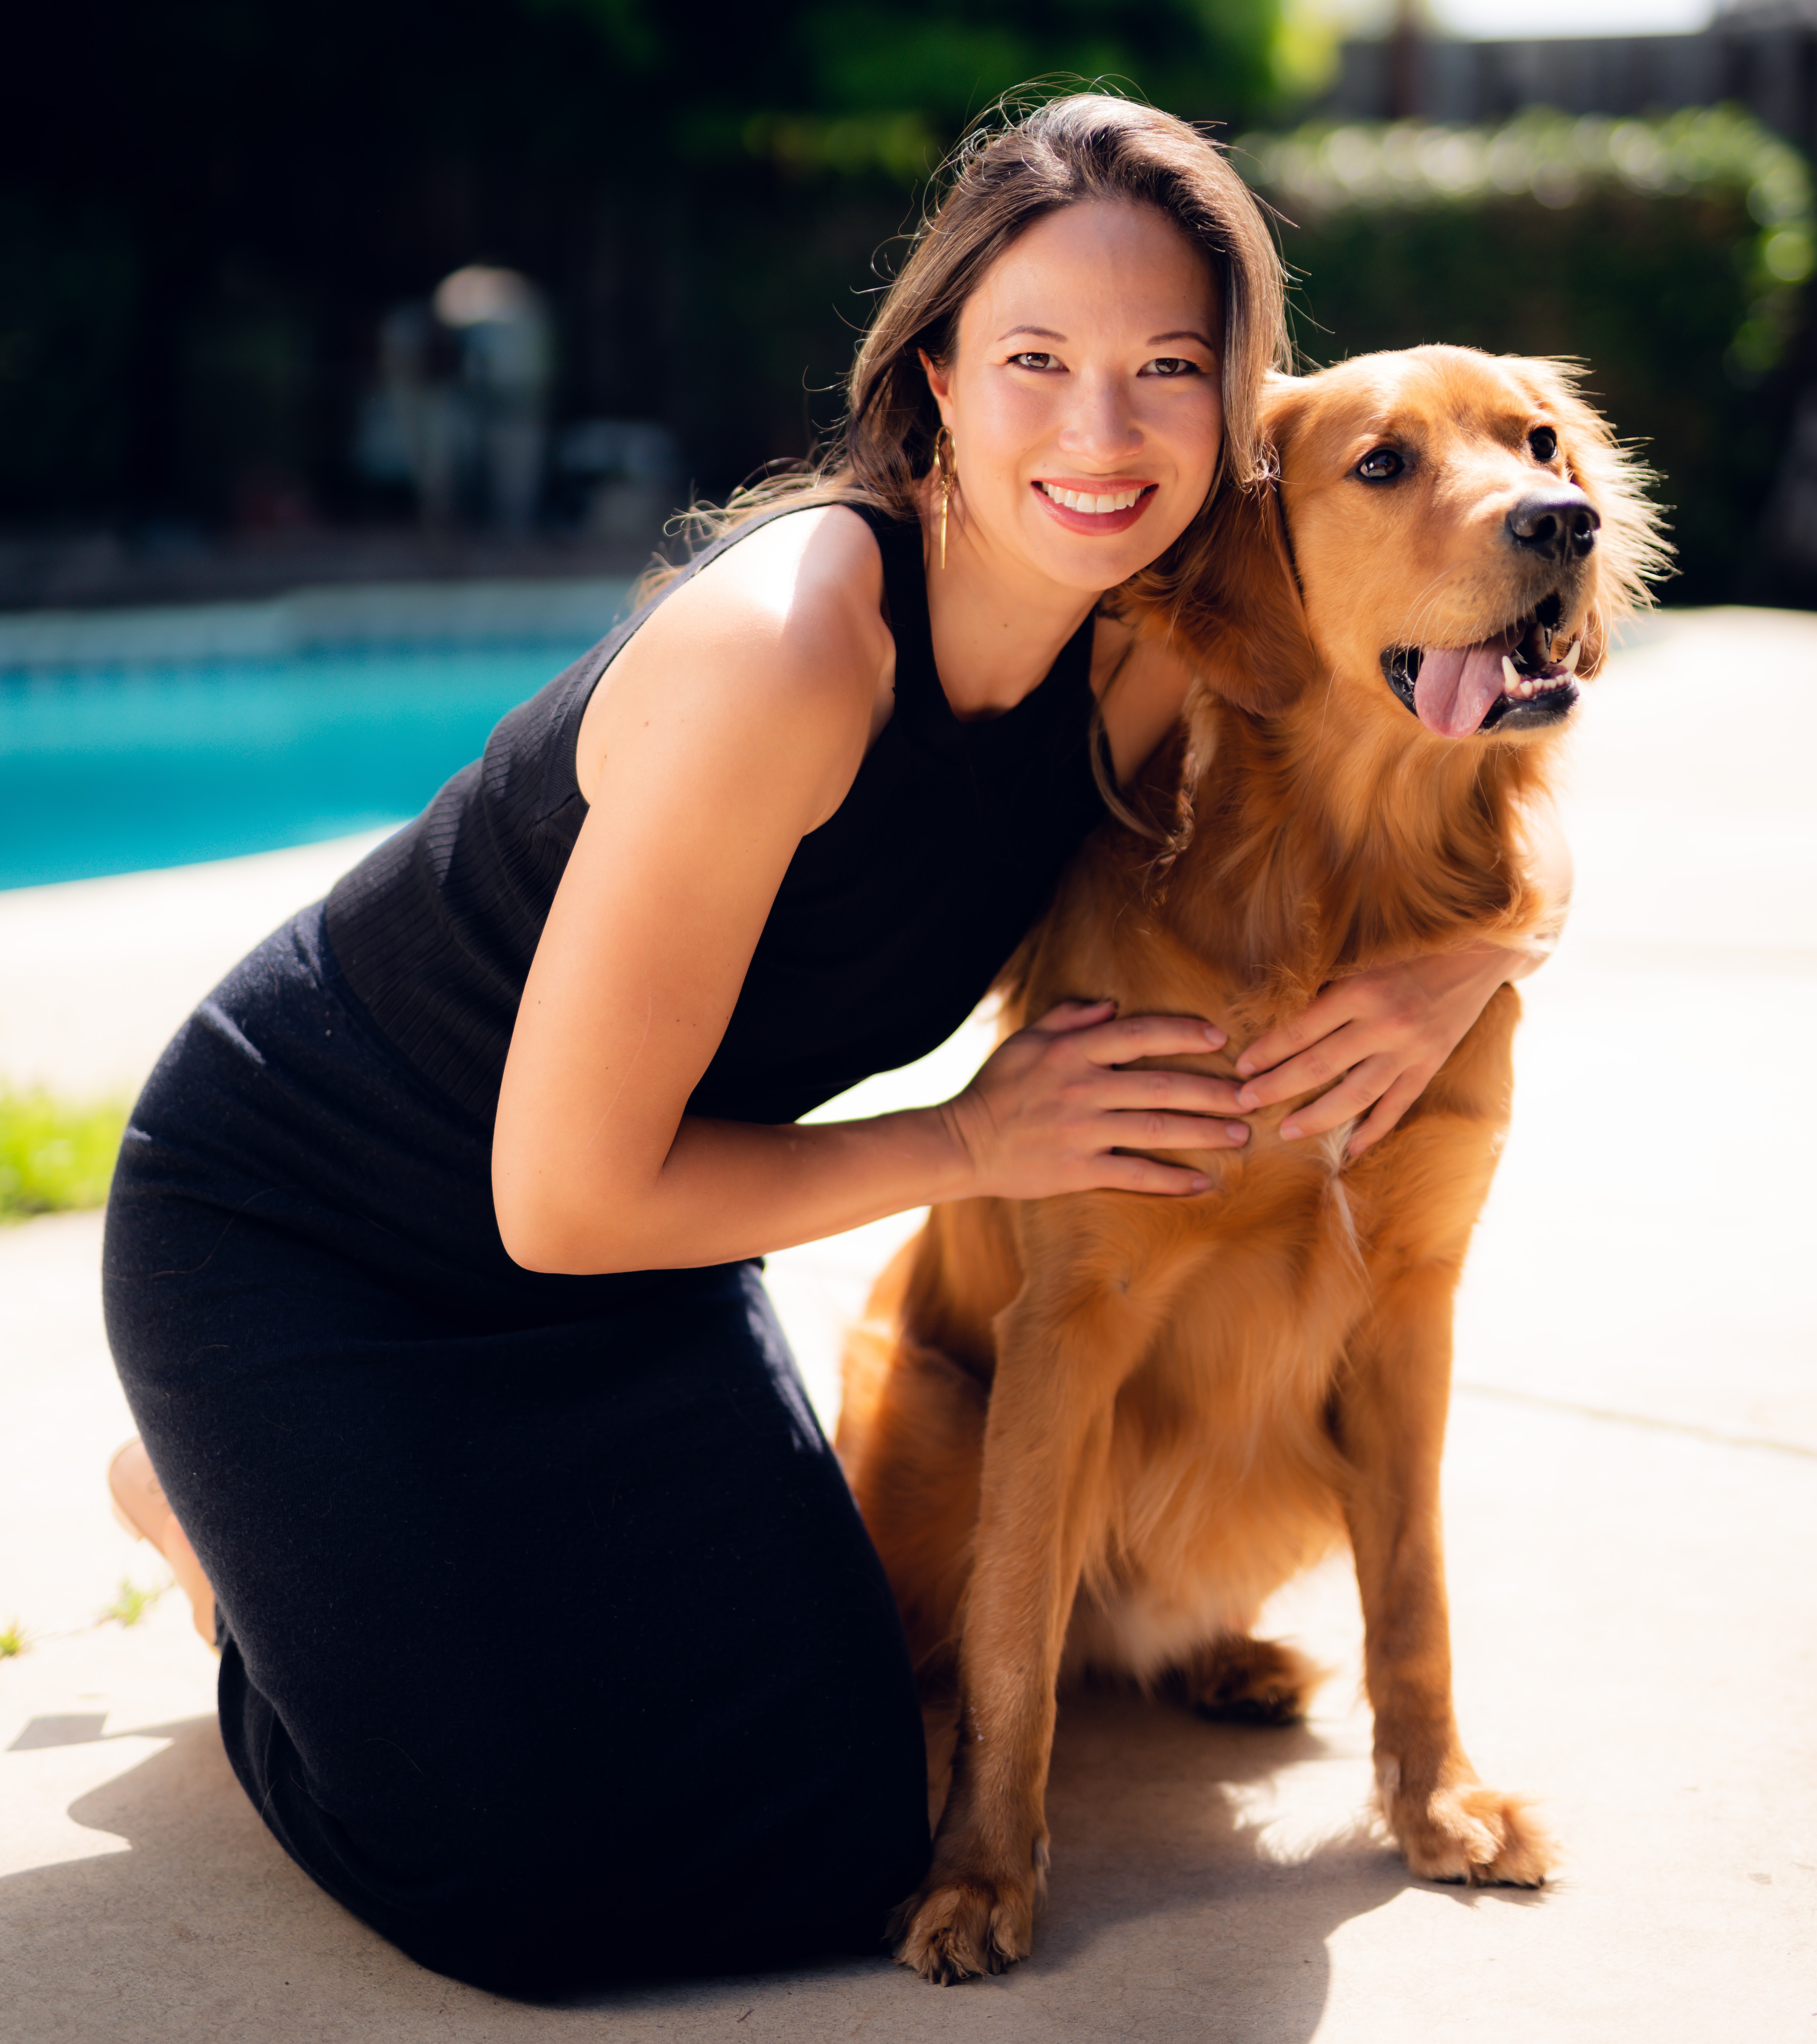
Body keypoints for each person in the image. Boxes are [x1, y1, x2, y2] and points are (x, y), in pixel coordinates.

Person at [102, 94, 1567, 1998]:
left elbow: (1465, 730)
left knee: (831, 1807)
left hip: (643, 1243)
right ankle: (214, 1528)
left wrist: (1493, 950)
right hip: (321, 1221)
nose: (1102, 427)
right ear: (938, 376)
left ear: (1232, 414)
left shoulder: (1158, 642)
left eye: (1167, 368)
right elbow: (558, 1197)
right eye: (1036, 359)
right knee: (521, 1874)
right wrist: (971, 1142)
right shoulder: (795, 645)